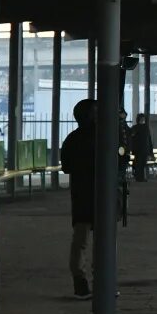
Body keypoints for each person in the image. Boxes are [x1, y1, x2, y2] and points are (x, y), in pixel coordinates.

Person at [60, 100, 98, 299]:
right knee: (104, 241)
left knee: (80, 241)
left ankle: (80, 282)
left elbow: (66, 166)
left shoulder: (72, 139)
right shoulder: (103, 137)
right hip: (102, 195)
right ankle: (102, 279)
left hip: (81, 196)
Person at [129, 113, 153, 182]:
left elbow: (149, 139)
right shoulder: (136, 127)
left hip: (144, 149)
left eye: (143, 118)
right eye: (141, 118)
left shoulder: (145, 128)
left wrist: (150, 150)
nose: (143, 119)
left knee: (142, 164)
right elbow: (132, 137)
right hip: (139, 149)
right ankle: (139, 177)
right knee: (139, 163)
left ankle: (140, 177)